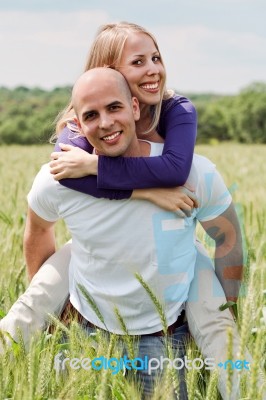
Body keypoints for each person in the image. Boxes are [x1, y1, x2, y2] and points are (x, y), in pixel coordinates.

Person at [0, 22, 248, 399]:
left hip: (165, 331)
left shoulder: (184, 139)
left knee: (217, 326)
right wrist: (58, 315)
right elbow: (38, 229)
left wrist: (229, 307)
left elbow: (223, 230)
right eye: (138, 62)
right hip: (88, 331)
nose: (152, 69)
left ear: (133, 105)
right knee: (32, 306)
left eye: (155, 58)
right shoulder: (67, 167)